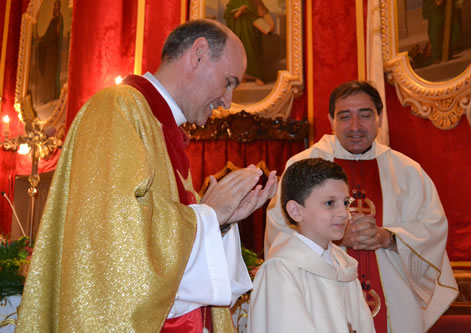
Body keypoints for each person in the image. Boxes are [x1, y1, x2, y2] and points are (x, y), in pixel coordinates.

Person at [17, 19, 277, 332]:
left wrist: (219, 222)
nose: (227, 101)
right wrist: (207, 215)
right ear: (198, 54)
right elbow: (115, 243)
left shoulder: (161, 126)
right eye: (229, 81)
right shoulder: (117, 109)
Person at [265, 81, 458, 333]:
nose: (355, 126)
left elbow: (433, 229)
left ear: (380, 117)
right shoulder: (302, 167)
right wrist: (336, 236)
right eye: (344, 116)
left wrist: (389, 237)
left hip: (396, 304)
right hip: (323, 298)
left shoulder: (408, 172)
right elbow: (279, 231)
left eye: (365, 115)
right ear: (330, 119)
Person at [248, 158, 375, 333]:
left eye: (346, 203)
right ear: (296, 211)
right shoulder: (282, 270)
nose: (343, 213)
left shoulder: (343, 266)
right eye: (330, 203)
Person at [224, 0, 271, 86]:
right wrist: (239, 12)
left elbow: (262, 12)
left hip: (252, 31)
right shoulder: (232, 2)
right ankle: (244, 76)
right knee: (240, 53)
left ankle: (257, 77)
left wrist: (269, 23)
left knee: (253, 52)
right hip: (239, 32)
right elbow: (229, 17)